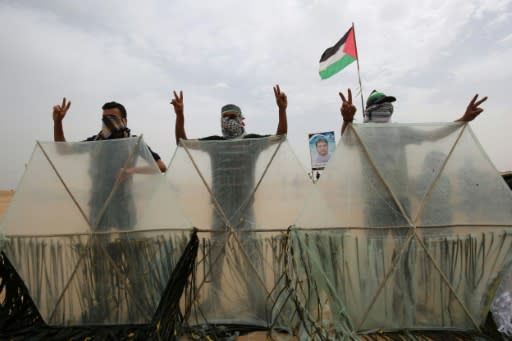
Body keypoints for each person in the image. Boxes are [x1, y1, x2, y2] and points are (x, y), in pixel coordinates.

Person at [170, 85, 288, 326]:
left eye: (234, 117)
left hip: (246, 210)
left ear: (242, 120)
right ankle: (213, 300)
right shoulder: (214, 143)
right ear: (220, 121)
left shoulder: (252, 142)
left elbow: (279, 137)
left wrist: (282, 110)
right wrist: (180, 116)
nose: (229, 121)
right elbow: (182, 142)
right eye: (226, 117)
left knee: (250, 257)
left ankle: (257, 300)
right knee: (216, 258)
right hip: (219, 211)